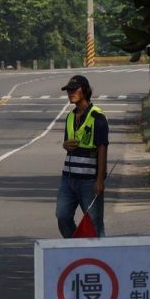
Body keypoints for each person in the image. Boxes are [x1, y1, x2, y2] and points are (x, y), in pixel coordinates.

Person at [56, 74, 109, 237]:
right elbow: (67, 143)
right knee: (62, 216)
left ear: (85, 91)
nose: (70, 93)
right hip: (68, 178)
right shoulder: (70, 116)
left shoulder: (97, 117)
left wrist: (99, 180)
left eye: (74, 90)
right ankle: (76, 249)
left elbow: (102, 148)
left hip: (89, 180)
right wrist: (65, 145)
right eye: (68, 90)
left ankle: (102, 256)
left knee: (94, 223)